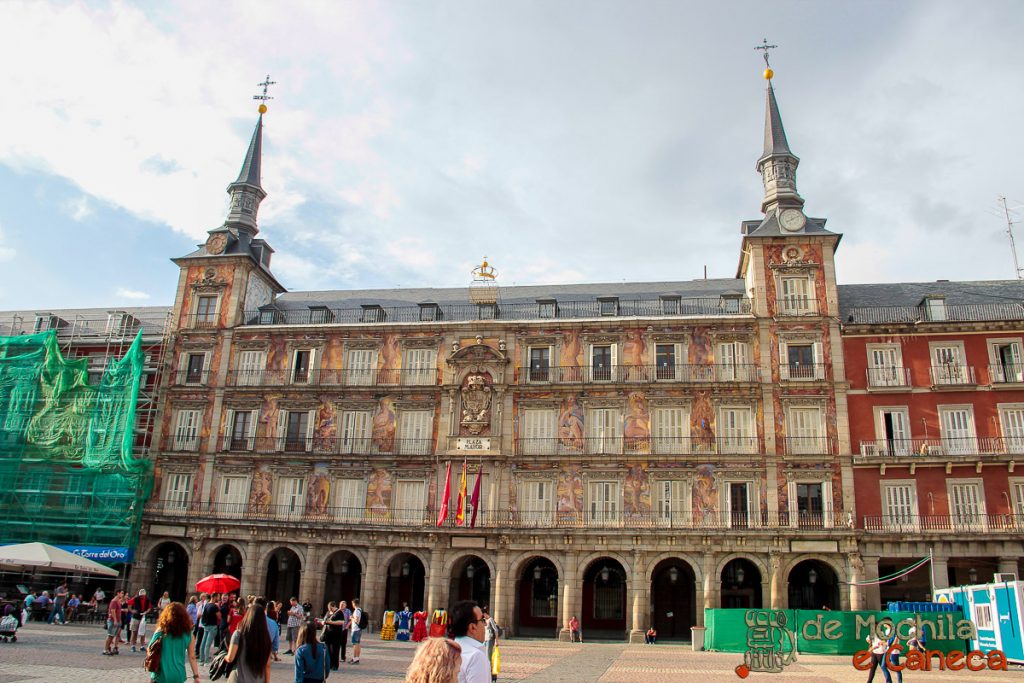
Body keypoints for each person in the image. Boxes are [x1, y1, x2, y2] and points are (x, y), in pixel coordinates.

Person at [147, 601, 202, 683]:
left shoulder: (160, 631)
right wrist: (196, 676)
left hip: (160, 674)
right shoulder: (189, 635)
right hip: (178, 674)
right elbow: (192, 657)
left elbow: (149, 650)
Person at [224, 602, 273, 683]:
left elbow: (230, 658)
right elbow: (267, 665)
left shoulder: (238, 634)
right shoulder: (266, 638)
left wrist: (223, 656)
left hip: (240, 678)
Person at [451, 600, 490, 683]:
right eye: (482, 620)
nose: (485, 624)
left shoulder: (444, 651)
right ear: (472, 627)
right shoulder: (475, 656)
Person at [321, 601, 345, 671]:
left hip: (336, 635)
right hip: (328, 635)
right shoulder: (328, 612)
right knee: (328, 650)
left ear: (334, 606)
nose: (329, 609)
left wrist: (331, 622)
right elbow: (324, 620)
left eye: (330, 608)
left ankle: (335, 665)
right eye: (329, 608)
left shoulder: (339, 612)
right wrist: (323, 622)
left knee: (335, 650)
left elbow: (342, 622)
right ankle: (330, 664)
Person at [198, 592, 221, 664]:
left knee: (203, 643)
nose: (219, 598)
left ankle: (201, 660)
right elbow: (219, 616)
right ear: (214, 597)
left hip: (206, 626)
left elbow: (204, 615)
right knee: (208, 644)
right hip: (212, 626)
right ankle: (206, 660)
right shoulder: (214, 606)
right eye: (218, 597)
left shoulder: (207, 605)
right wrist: (218, 608)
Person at [482, 607, 500, 682]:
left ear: (485, 613)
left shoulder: (490, 619)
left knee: (488, 658)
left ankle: (492, 676)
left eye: (483, 615)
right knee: (485, 657)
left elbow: (496, 630)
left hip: (490, 640)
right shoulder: (484, 620)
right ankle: (487, 674)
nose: (483, 616)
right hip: (485, 640)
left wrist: (496, 641)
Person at [103, 589, 124, 655]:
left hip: (117, 620)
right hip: (112, 620)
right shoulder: (114, 601)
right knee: (110, 635)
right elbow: (112, 611)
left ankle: (108, 648)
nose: (122, 595)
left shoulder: (118, 601)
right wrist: (115, 620)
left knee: (112, 636)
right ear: (118, 593)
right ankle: (105, 649)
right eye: (121, 593)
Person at [348, 598, 363, 664]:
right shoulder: (360, 610)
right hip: (358, 629)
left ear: (354, 603)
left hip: (356, 629)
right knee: (358, 644)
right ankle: (356, 658)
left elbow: (357, 620)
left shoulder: (357, 610)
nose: (352, 605)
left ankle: (355, 659)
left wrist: (351, 618)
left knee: (355, 644)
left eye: (352, 603)